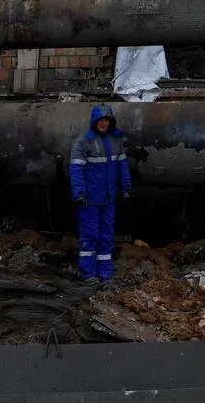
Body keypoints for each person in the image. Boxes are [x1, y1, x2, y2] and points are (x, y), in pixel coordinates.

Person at [69, 104, 131, 283]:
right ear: (94, 121)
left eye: (107, 120)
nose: (104, 124)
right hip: (90, 200)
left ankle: (104, 275)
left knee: (106, 235)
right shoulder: (84, 141)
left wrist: (126, 186)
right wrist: (79, 193)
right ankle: (88, 274)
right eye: (101, 120)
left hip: (108, 199)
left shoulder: (116, 140)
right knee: (89, 236)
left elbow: (122, 165)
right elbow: (76, 170)